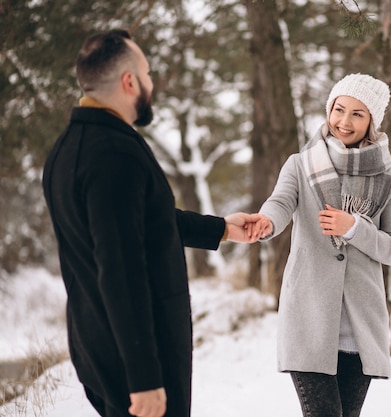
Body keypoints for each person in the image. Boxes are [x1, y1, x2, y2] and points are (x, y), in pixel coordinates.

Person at [42, 29, 260, 417]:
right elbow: (121, 270)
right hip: (138, 362)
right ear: (130, 82)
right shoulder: (114, 155)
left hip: (98, 348)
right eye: (147, 73)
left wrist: (221, 228)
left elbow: (141, 223)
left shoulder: (67, 150)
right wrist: (144, 378)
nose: (152, 82)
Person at [253, 73, 391, 417]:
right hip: (308, 320)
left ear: (371, 121)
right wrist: (267, 222)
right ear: (329, 110)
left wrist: (355, 227)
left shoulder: (389, 178)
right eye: (339, 109)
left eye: (357, 114)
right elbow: (280, 203)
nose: (344, 121)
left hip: (360, 331)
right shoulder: (301, 164)